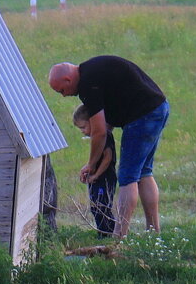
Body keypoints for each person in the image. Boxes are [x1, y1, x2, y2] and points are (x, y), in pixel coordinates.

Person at [49, 56, 170, 238]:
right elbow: (110, 114)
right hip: (159, 108)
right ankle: (154, 233)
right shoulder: (93, 70)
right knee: (144, 172)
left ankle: (119, 236)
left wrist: (91, 164)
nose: (64, 95)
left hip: (142, 116)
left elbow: (99, 131)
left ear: (68, 79)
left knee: (128, 177)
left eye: (62, 90)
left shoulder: (88, 83)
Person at [72, 105, 116, 237]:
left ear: (93, 122)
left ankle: (107, 233)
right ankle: (101, 232)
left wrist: (96, 174)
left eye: (83, 127)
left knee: (102, 206)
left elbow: (108, 157)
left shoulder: (104, 135)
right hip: (96, 179)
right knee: (95, 207)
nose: (82, 131)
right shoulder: (95, 138)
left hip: (105, 178)